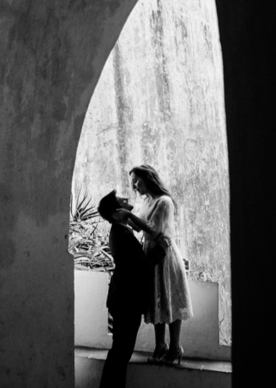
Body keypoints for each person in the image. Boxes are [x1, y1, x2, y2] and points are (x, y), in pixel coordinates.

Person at [116, 164, 193, 366]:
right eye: (132, 182)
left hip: (164, 255)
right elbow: (137, 227)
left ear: (148, 178)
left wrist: (130, 216)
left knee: (170, 300)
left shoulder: (164, 202)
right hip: (150, 255)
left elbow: (154, 231)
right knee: (156, 300)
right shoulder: (146, 201)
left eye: (136, 181)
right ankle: (160, 345)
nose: (134, 186)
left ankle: (175, 347)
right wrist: (121, 214)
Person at [97, 190, 153, 388]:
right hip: (126, 300)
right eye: (121, 200)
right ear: (115, 213)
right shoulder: (121, 234)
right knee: (121, 353)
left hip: (123, 299)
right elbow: (141, 265)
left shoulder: (122, 231)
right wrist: (162, 249)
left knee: (120, 353)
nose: (126, 199)